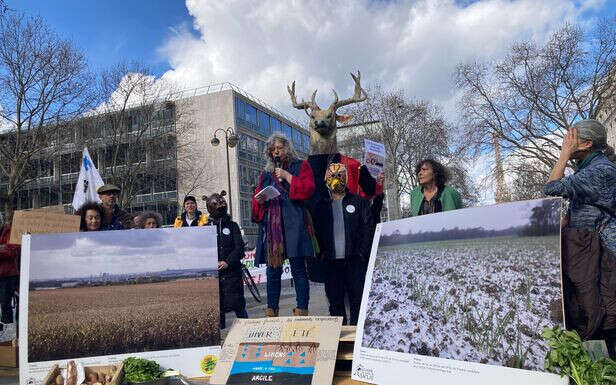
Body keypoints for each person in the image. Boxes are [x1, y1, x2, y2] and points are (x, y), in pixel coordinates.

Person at [544, 119, 616, 357]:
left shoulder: (600, 171)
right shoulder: (589, 170)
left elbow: (552, 188)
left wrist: (563, 155)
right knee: (591, 312)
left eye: (570, 138)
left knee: (603, 315)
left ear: (586, 144)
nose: (566, 142)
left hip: (604, 253)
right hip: (591, 251)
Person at [252, 133, 315, 317]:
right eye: (273, 149)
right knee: (272, 270)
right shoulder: (266, 174)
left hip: (294, 224)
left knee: (298, 269)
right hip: (273, 229)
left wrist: (288, 176)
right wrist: (260, 200)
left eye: (279, 148)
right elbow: (256, 202)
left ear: (287, 147)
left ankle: (301, 308)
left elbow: (308, 189)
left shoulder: (300, 166)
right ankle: (272, 309)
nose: (276, 152)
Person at [315, 163, 372, 325]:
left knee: (357, 300)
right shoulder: (321, 205)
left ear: (346, 178)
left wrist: (361, 253)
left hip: (354, 261)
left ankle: (355, 336)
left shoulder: (359, 202)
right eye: (332, 175)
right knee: (335, 302)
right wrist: (322, 255)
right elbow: (317, 232)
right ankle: (338, 337)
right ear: (326, 178)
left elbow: (367, 228)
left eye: (339, 175)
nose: (335, 179)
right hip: (331, 263)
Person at [204, 191, 248, 328]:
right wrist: (212, 263)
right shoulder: (205, 229)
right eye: (216, 203)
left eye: (221, 202)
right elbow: (204, 250)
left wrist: (228, 262)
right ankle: (221, 337)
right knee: (218, 309)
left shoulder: (233, 226)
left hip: (232, 274)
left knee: (239, 305)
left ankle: (247, 331)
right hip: (215, 276)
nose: (220, 205)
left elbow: (239, 247)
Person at [0, 224, 19, 325]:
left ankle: (8, 331)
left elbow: (12, 251)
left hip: (7, 275)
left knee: (5, 305)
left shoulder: (11, 231)